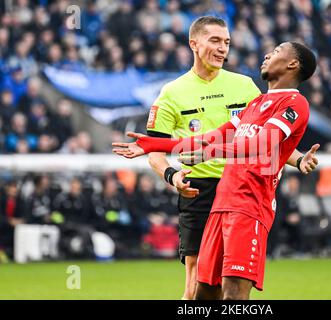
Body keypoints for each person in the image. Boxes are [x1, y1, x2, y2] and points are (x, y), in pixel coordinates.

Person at [112, 41, 319, 299]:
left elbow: (262, 144)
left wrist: (211, 153)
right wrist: (153, 144)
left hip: (250, 206)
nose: (267, 54)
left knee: (233, 294)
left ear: (293, 64)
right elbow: (209, 138)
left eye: (276, 51)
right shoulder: (254, 106)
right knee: (204, 293)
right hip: (220, 205)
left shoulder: (295, 104)